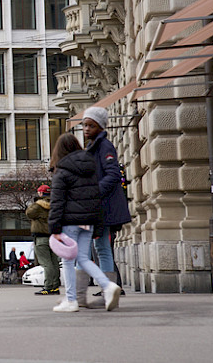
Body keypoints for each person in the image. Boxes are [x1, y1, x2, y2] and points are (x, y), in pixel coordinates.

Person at [48, 132, 121, 313]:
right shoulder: (90, 169)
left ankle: (71, 300)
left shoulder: (62, 171)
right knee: (83, 258)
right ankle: (107, 285)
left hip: (69, 221)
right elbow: (96, 197)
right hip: (88, 221)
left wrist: (54, 227)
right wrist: (97, 223)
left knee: (67, 260)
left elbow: (57, 202)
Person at [82, 106, 130, 294]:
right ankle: (108, 288)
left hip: (105, 207)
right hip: (100, 205)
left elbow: (113, 175)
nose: (86, 129)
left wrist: (94, 191)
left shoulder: (104, 146)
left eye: (91, 125)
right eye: (84, 125)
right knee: (99, 247)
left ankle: (108, 288)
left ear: (100, 127)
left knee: (101, 247)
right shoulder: (94, 146)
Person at [26, 184, 59, 295]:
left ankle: (48, 286)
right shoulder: (55, 202)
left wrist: (36, 201)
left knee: (46, 263)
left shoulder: (38, 205)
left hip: (41, 238)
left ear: (40, 193)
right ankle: (55, 286)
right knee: (54, 262)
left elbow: (29, 213)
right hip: (53, 237)